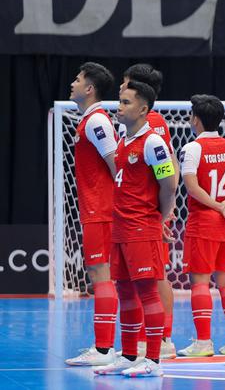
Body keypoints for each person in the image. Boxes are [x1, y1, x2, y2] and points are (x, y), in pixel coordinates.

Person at [93, 81, 178, 378]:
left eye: (126, 103)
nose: (120, 107)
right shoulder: (121, 141)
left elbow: (169, 184)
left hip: (142, 228)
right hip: (120, 228)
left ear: (143, 109)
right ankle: (130, 355)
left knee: (148, 293)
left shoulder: (153, 142)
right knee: (125, 292)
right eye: (120, 101)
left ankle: (153, 360)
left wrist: (160, 217)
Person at [177, 95, 225, 358]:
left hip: (204, 221)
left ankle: (203, 342)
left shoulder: (193, 148)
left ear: (195, 118)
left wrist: (218, 206)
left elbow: (192, 187)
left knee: (200, 282)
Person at [64, 63, 121, 368]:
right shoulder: (88, 121)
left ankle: (103, 349)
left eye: (77, 79)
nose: (71, 83)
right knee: (104, 276)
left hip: (102, 210)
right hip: (97, 209)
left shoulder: (97, 122)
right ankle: (106, 347)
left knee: (102, 276)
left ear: (90, 89)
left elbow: (117, 163)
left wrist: (123, 203)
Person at [122, 64, 177, 359]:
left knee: (155, 278)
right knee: (136, 283)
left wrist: (163, 212)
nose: (121, 90)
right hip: (131, 216)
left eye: (125, 84)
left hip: (145, 216)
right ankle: (138, 343)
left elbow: (168, 173)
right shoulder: (131, 126)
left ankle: (163, 340)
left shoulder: (152, 126)